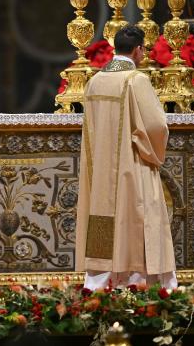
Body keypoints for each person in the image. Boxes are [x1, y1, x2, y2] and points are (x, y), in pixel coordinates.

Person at [75, 25, 177, 289]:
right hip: (132, 167)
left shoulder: (95, 81)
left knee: (103, 220)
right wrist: (152, 151)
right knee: (137, 218)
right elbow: (156, 126)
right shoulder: (135, 80)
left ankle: (99, 287)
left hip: (100, 174)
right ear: (138, 49)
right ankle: (138, 285)